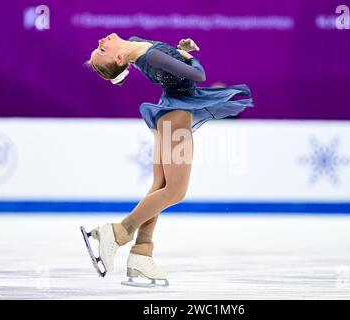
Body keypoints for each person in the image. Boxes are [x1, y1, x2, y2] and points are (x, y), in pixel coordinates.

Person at [82, 33, 254, 287]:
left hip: (170, 113)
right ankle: (117, 233)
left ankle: (142, 253)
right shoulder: (148, 55)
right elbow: (198, 75)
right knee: (175, 191)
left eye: (99, 48)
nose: (99, 43)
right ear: (119, 57)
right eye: (102, 50)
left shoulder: (136, 44)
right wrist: (185, 57)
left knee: (160, 187)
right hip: (177, 116)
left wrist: (178, 51)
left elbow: (172, 68)